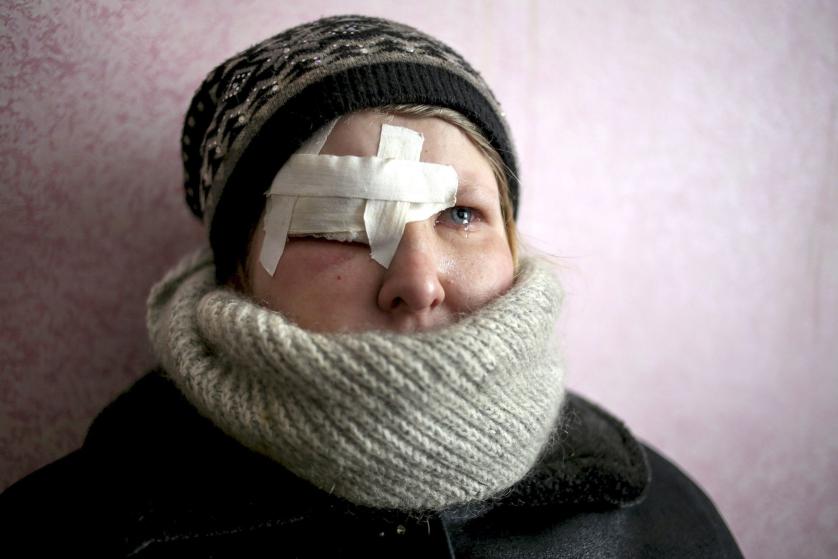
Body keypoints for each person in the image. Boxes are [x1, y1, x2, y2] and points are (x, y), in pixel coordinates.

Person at [0, 14, 743, 558]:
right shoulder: (74, 531)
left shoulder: (659, 517)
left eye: (460, 213)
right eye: (337, 226)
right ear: (237, 270)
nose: (417, 281)